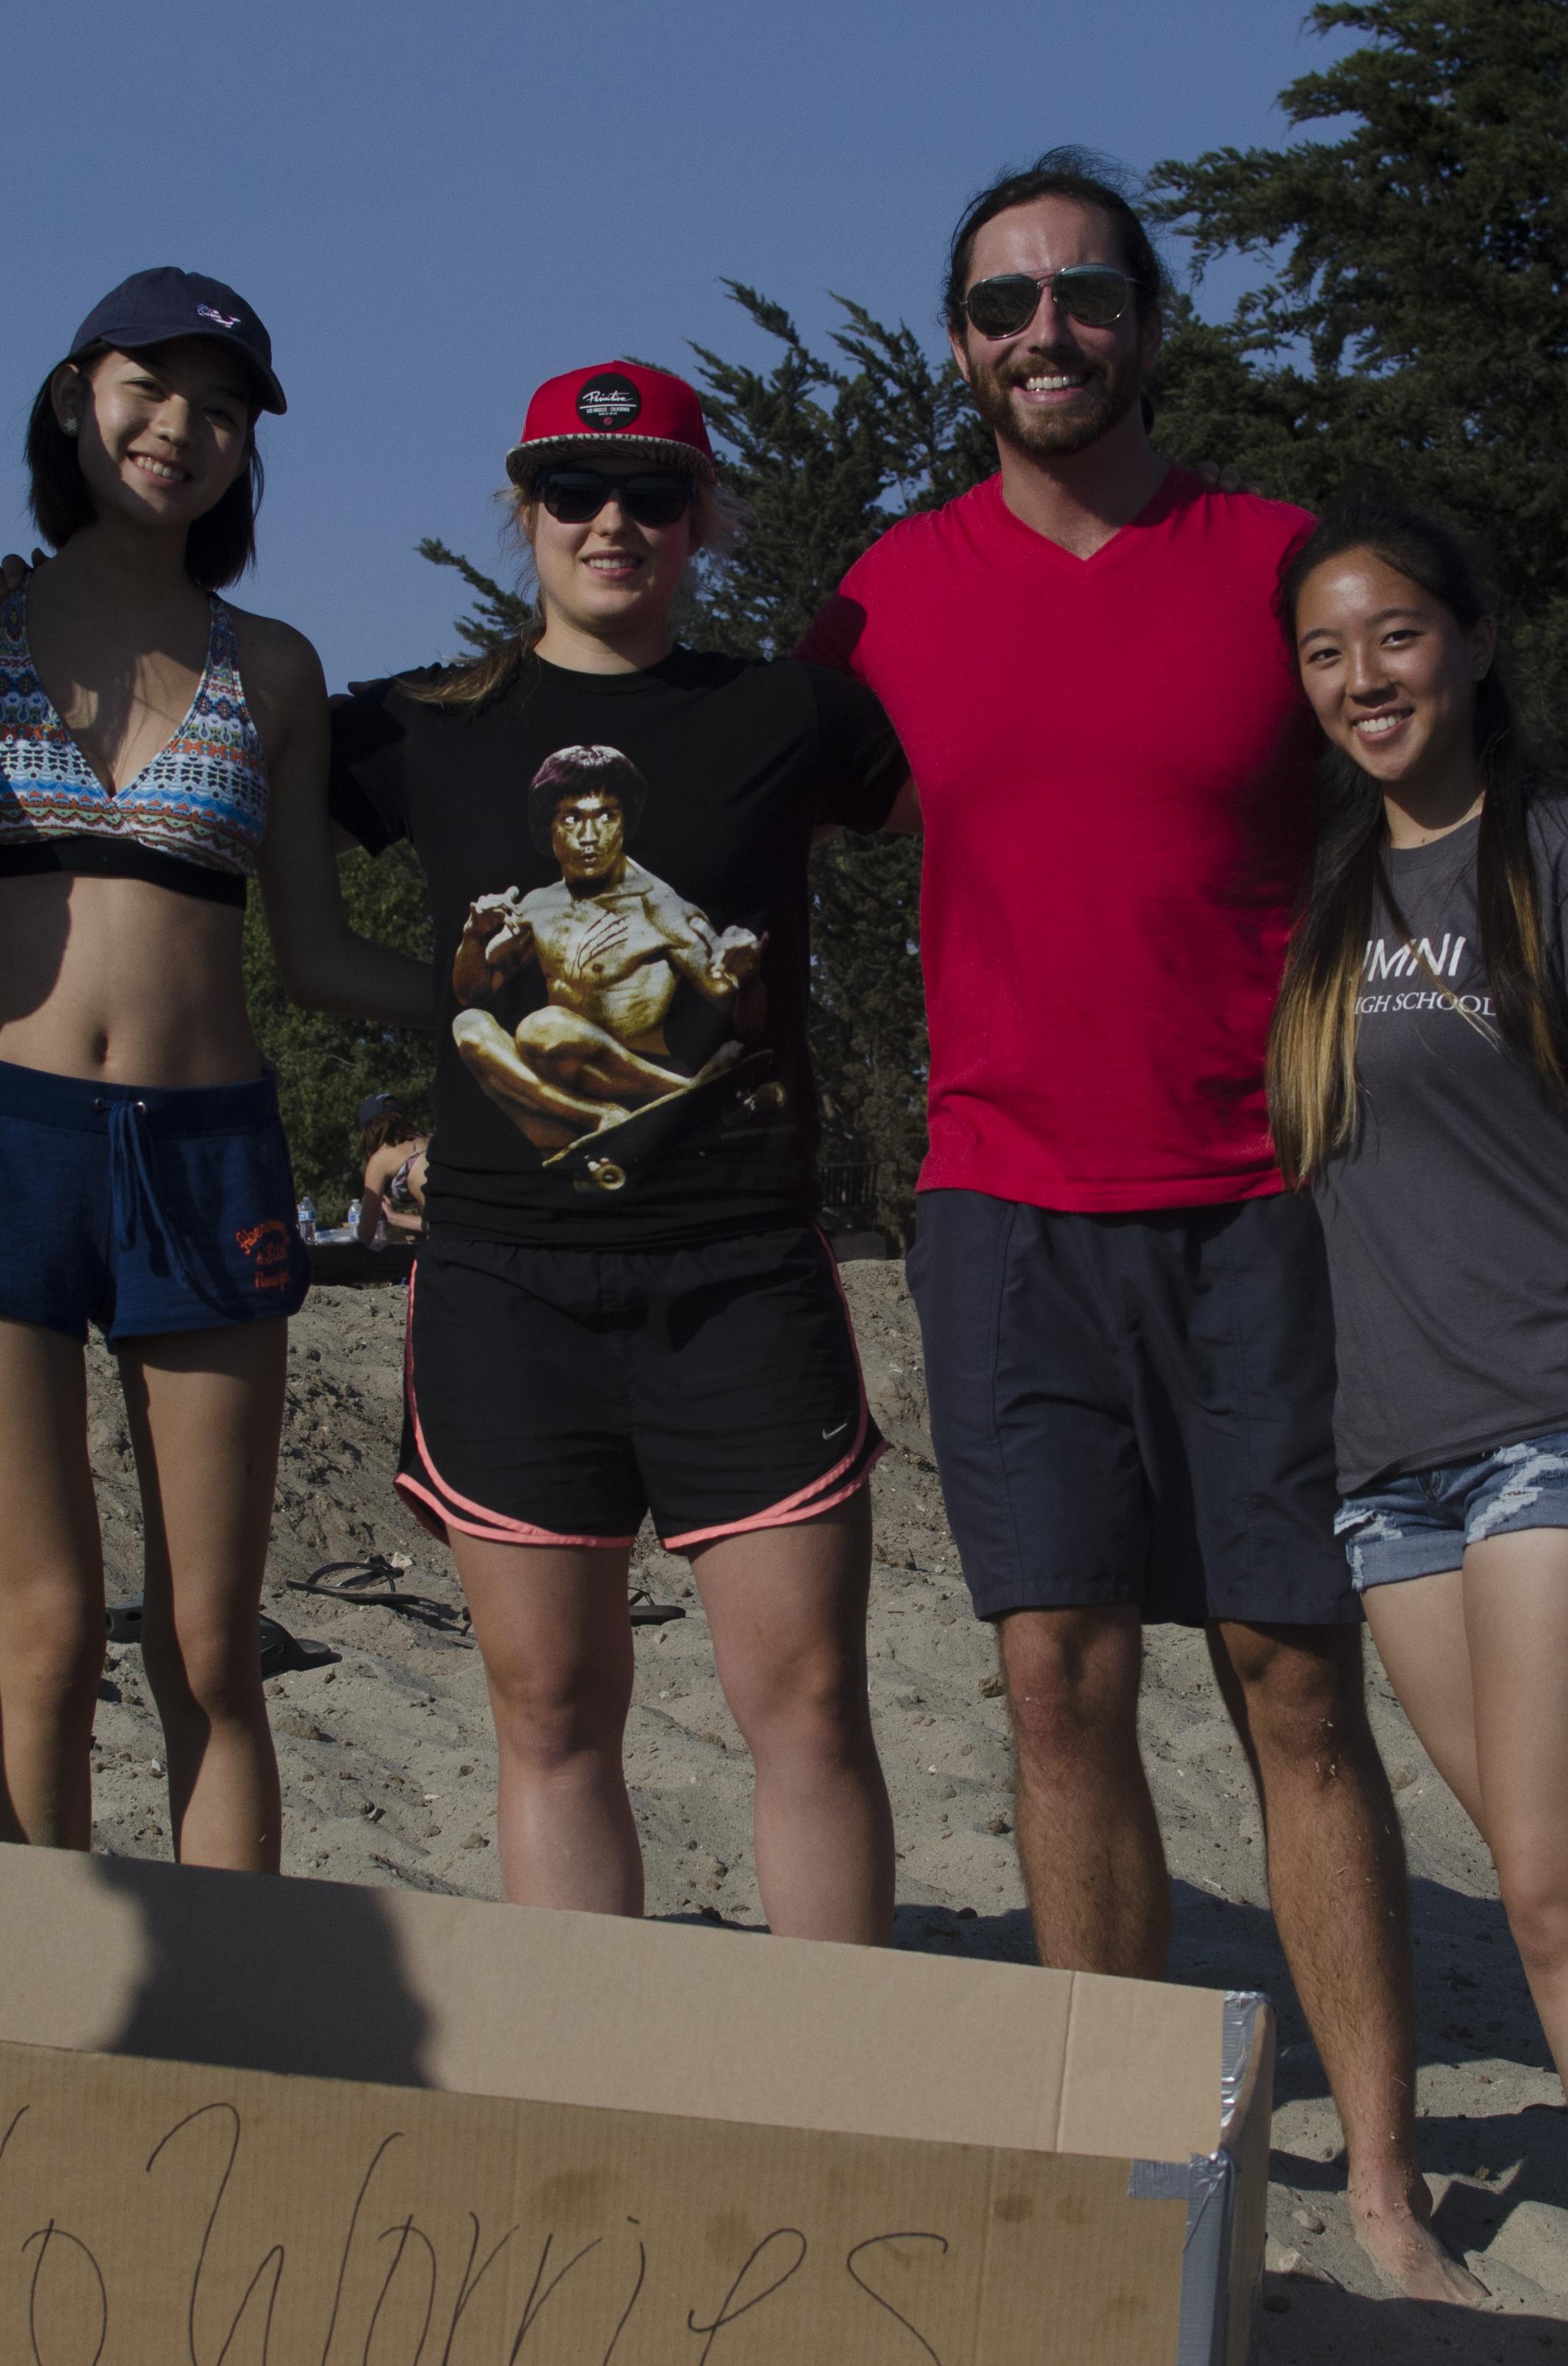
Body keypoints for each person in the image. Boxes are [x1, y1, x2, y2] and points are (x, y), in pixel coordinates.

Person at [799, 147, 1568, 2303]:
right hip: (1003, 1210)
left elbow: (1448, 787)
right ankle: (1126, 2162)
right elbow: (730, 821)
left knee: (1296, 1688)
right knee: (1056, 1685)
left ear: (1147, 321)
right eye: (1004, 304)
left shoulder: (1276, 567)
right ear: (960, 346)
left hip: (1262, 1205)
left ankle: (1384, 2182)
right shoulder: (882, 600)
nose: (1045, 334)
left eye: (1083, 295)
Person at [325, 360, 905, 1943]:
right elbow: (200, 793)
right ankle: (588, 2061)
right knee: (550, 1713)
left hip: (740, 1278)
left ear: (701, 517)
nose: (611, 521)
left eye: (653, 491)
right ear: (521, 511)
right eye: (573, 490)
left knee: (806, 1706)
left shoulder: (786, 711)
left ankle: (848, 2061)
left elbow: (1005, 795)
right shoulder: (420, 725)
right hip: (503, 1286)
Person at [1272, 499, 1568, 2366]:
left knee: (1552, 1894)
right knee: (1565, 1867)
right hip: (1388, 1470)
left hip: (1561, 1428)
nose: (1363, 678)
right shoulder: (1325, 898)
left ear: (1467, 643)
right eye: (1324, 652)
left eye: (1394, 635)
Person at [0, 271, 432, 1868]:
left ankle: (226, 1995)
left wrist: (500, 1007)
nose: (180, 428)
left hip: (208, 1154)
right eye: (150, 388)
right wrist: (20, 1009)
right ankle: (41, 1995)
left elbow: (318, 953)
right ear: (75, 397)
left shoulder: (272, 665)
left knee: (209, 1646)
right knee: (46, 1631)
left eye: (223, 407)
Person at [353, 1092, 429, 1248]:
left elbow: (366, 1234)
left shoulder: (381, 1159)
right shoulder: (432, 1139)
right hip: (476, 1228)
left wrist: (389, 1216)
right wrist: (394, 1217)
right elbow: (448, 1220)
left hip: (453, 1244)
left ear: (370, 1131)